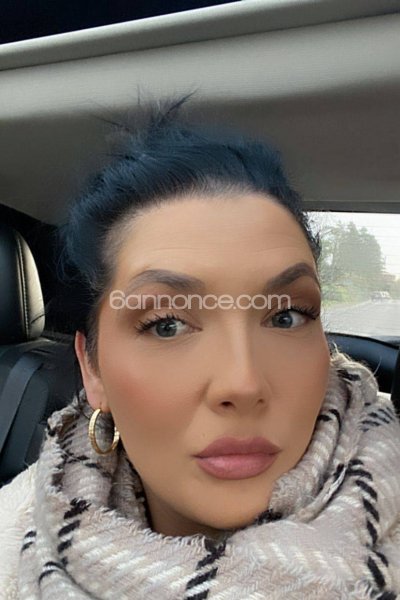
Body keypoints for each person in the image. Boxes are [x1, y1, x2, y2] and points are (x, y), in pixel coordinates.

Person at [1, 95, 399, 600]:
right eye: (167, 325)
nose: (243, 383)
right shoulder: (13, 543)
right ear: (92, 369)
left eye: (286, 315)